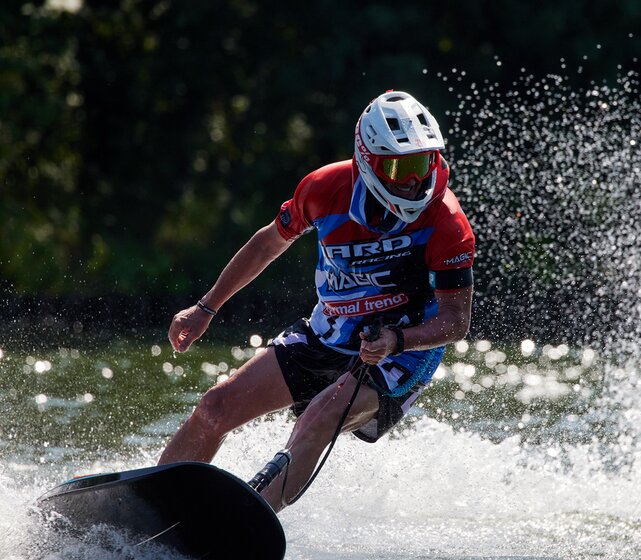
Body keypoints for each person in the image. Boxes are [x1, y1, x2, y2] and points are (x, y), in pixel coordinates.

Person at [158, 90, 476, 511]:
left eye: (424, 162)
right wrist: (206, 308)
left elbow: (456, 322)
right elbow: (269, 243)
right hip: (329, 332)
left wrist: (396, 341)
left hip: (403, 353)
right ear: (369, 159)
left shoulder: (448, 223)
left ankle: (239, 527)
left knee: (317, 420)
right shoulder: (325, 189)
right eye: (402, 166)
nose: (416, 179)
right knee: (216, 407)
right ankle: (153, 505)